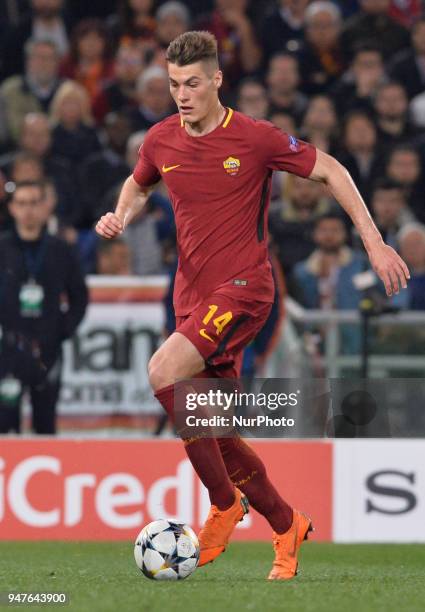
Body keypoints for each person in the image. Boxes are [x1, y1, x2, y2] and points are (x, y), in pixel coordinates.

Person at [95, 31, 409, 581]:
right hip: (192, 294)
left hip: (244, 288)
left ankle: (222, 504)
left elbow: (332, 169)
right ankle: (286, 523)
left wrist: (374, 242)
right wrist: (121, 213)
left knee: (162, 369)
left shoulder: (255, 138)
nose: (182, 95)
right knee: (206, 422)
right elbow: (140, 183)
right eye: (173, 85)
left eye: (193, 83)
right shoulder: (161, 139)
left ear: (217, 79)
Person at [0, 180, 87, 433]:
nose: (28, 210)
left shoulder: (60, 250)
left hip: (47, 347)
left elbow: (79, 296)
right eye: (22, 203)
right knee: (4, 422)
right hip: (7, 349)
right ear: (12, 208)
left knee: (45, 421)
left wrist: (63, 330)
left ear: (45, 207)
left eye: (34, 203)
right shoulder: (2, 248)